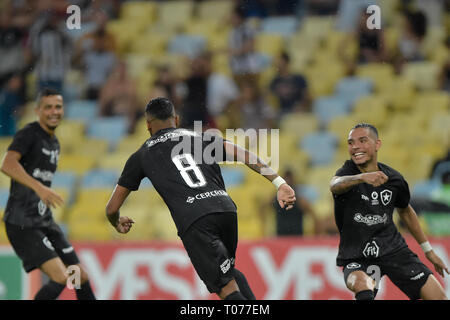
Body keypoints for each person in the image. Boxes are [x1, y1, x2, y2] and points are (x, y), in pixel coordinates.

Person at [105, 97, 296, 300]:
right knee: (229, 275)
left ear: (147, 126)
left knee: (226, 288)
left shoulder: (141, 155)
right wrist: (279, 183)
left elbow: (111, 208)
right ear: (176, 120)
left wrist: (116, 221)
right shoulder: (201, 137)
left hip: (196, 220)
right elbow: (244, 154)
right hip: (225, 209)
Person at [330, 123, 448, 300]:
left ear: (377, 144)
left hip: (393, 250)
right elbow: (335, 185)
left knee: (438, 297)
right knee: (363, 287)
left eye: (362, 140)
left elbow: (406, 211)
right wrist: (361, 178)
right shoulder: (347, 173)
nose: (355, 147)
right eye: (351, 142)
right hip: (359, 256)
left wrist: (428, 250)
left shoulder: (394, 179)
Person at [0, 88, 96, 300]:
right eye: (48, 107)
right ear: (37, 110)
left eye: (58, 107)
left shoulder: (54, 142)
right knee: (62, 277)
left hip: (44, 221)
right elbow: (6, 164)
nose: (54, 111)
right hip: (22, 222)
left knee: (80, 277)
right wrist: (40, 188)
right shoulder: (29, 134)